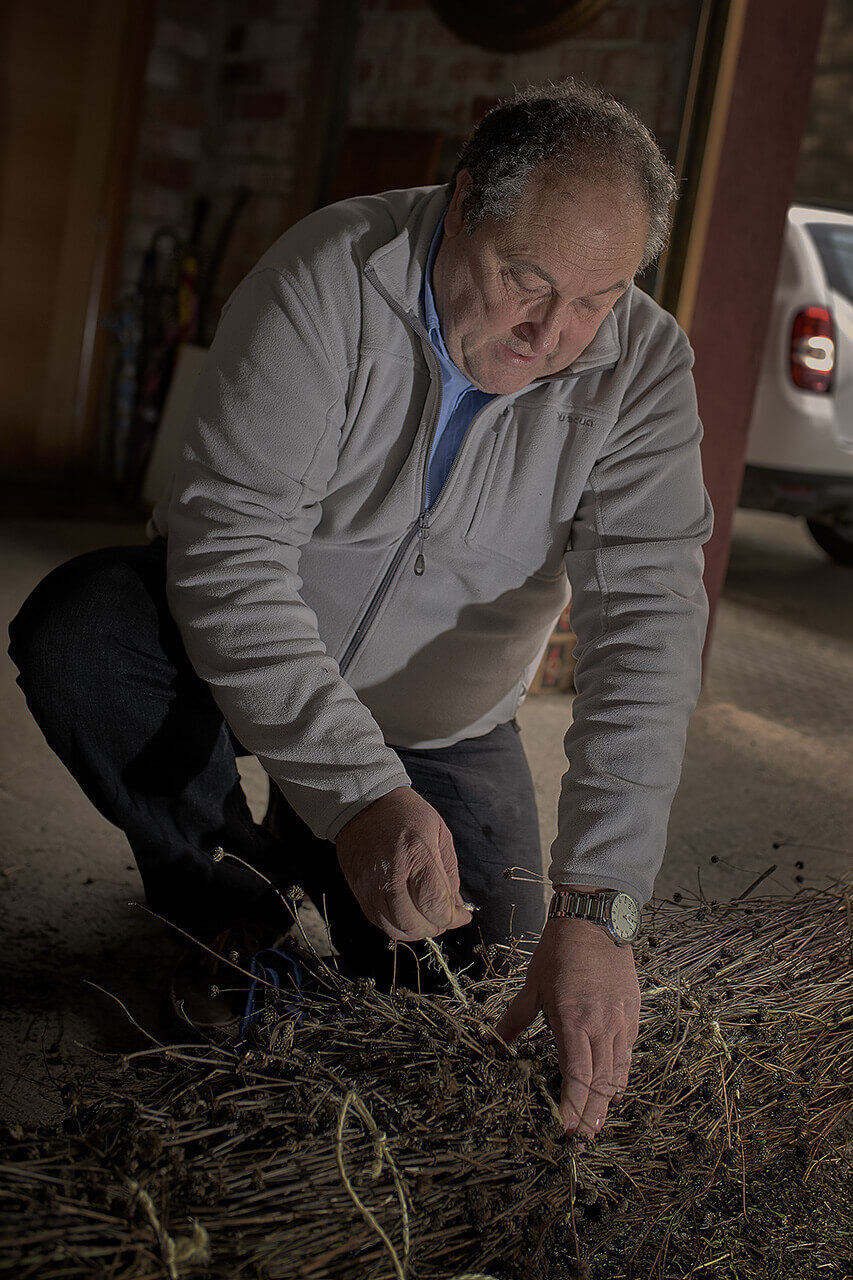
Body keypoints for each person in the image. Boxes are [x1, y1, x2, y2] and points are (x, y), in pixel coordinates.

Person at [9, 80, 712, 1144]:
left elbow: (646, 634)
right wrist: (357, 791)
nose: (552, 333)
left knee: (476, 989)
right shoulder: (327, 274)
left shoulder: (645, 371)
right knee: (82, 635)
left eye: (596, 299)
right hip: (229, 656)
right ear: (463, 202)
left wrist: (598, 905)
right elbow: (231, 552)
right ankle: (228, 906)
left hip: (442, 723)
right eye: (525, 280)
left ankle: (310, 836)